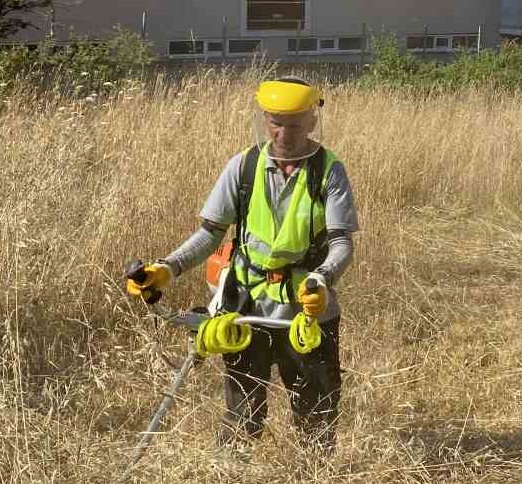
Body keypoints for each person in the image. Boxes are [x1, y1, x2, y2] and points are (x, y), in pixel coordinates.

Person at [125, 77, 357, 452]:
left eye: (294, 123)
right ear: (264, 119)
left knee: (316, 407)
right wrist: (167, 268)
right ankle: (228, 478)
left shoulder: (328, 171)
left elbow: (341, 243)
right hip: (246, 306)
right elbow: (209, 234)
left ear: (312, 120)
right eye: (275, 122)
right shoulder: (244, 166)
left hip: (307, 310)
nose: (283, 133)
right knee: (242, 407)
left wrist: (322, 279)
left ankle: (317, 481)